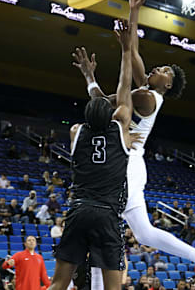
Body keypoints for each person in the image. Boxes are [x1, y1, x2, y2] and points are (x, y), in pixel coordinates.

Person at [73, 0, 195, 289]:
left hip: (126, 165)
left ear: (167, 84)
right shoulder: (147, 89)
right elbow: (134, 56)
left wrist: (93, 77)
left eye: (164, 71)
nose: (158, 68)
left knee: (101, 227)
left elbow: (109, 99)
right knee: (141, 234)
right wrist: (133, 10)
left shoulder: (148, 98)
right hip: (129, 165)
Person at [49, 19, 135, 290]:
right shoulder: (121, 125)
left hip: (79, 209)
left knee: (59, 283)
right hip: (107, 214)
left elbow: (100, 105)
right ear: (110, 113)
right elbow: (124, 86)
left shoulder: (77, 131)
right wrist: (125, 49)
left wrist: (89, 77)